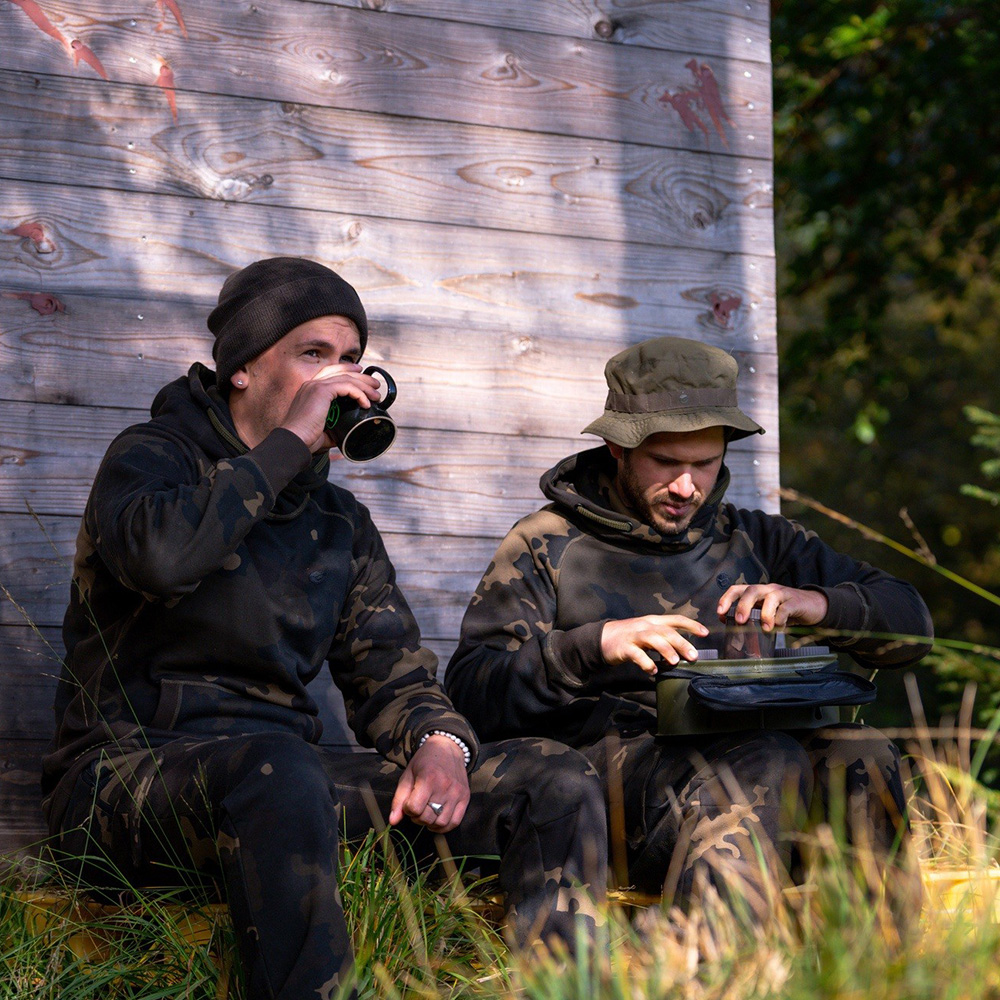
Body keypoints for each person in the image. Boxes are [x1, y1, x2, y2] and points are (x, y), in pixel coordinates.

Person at [42, 257, 607, 1000]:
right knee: (280, 769)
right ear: (243, 367)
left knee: (552, 779)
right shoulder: (150, 458)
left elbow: (393, 675)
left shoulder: (339, 522)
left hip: (289, 794)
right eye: (313, 354)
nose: (340, 379)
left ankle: (568, 990)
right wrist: (287, 444)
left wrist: (441, 745)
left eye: (350, 359)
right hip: (123, 783)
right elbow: (163, 558)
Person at [445, 336, 934, 920]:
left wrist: (817, 604)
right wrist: (591, 647)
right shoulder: (545, 543)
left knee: (862, 751)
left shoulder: (756, 538)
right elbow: (471, 692)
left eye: (705, 464)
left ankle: (879, 957)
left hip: (756, 771)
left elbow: (913, 627)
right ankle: (704, 959)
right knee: (767, 758)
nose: (686, 487)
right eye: (666, 463)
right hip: (611, 798)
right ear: (618, 447)